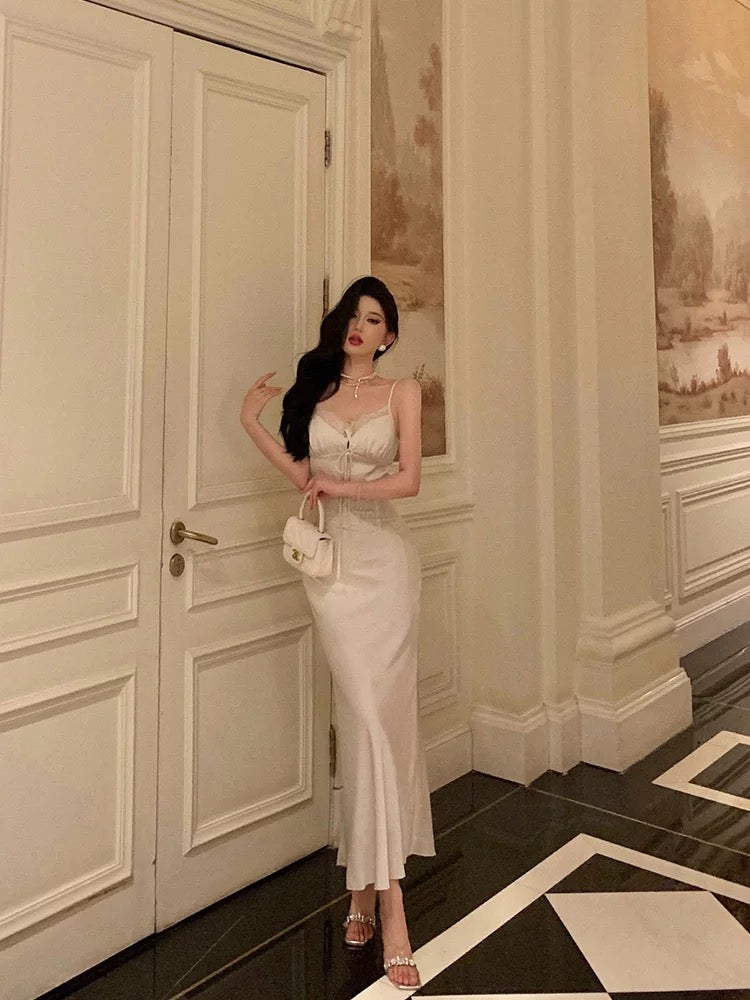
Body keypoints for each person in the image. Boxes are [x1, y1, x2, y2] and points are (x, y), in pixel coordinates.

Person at [240, 276, 435, 990]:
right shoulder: (316, 390)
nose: (359, 325)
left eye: (373, 318)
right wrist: (252, 423)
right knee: (362, 722)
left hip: (387, 564)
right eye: (353, 314)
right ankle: (378, 893)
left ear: (388, 335)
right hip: (331, 572)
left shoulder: (403, 392)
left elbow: (409, 480)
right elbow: (304, 477)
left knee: (378, 725)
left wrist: (345, 487)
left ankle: (379, 898)